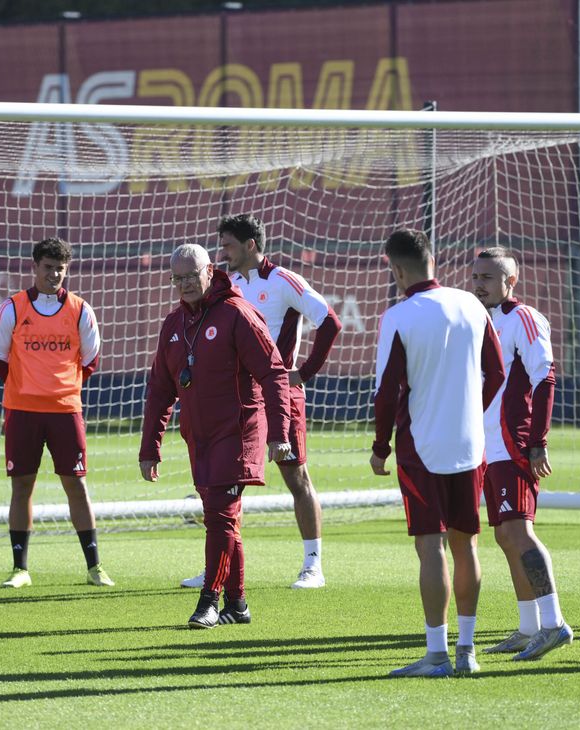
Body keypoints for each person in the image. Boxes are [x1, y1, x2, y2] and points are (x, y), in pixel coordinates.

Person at [176, 213, 340, 590]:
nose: (224, 253)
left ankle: (313, 566)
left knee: (295, 476)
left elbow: (329, 321)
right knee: (224, 482)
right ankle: (217, 564)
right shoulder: (225, 284)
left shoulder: (283, 281)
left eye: (229, 245)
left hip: (278, 394)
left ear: (251, 245)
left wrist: (304, 372)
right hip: (236, 400)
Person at [372, 229, 505, 677]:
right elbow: (498, 371)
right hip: (470, 445)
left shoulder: (398, 315)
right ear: (433, 260)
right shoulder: (472, 304)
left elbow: (386, 393)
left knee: (432, 548)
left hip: (421, 448)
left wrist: (379, 447)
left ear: (396, 268)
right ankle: (467, 652)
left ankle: (436, 655)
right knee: (466, 545)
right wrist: (469, 410)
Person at [139, 243, 292, 628]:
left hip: (239, 432)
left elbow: (273, 373)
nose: (186, 283)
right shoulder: (174, 324)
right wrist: (149, 447)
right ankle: (237, 604)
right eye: (178, 278)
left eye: (192, 275)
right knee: (223, 520)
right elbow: (160, 389)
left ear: (211, 271)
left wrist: (280, 431)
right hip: (199, 436)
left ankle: (209, 599)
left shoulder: (238, 313)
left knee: (220, 517)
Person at [0, 237, 110, 589]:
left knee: (76, 484)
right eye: (48, 267)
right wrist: (27, 385)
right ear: (34, 267)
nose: (54, 273)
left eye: (60, 268)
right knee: (22, 485)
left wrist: (61, 387)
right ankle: (20, 568)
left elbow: (90, 360)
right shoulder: (12, 308)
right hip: (22, 410)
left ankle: (94, 567)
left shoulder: (80, 309)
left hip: (65, 410)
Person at [470, 248, 573, 660]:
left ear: (510, 282)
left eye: (488, 278)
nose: (479, 284)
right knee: (503, 535)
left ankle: (554, 624)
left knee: (520, 531)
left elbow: (544, 376)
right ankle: (529, 626)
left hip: (514, 444)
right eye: (476, 276)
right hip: (486, 446)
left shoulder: (523, 317)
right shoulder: (479, 320)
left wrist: (537, 441)